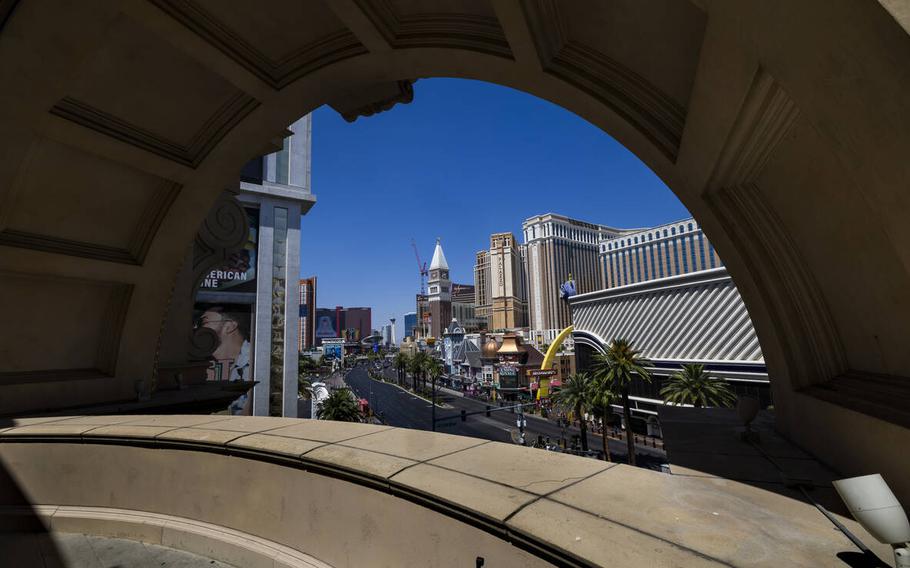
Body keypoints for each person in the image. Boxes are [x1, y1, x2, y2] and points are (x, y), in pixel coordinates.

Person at [197, 305, 252, 414]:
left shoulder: (255, 362)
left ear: (229, 326)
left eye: (203, 323)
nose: (197, 329)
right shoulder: (207, 363)